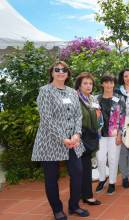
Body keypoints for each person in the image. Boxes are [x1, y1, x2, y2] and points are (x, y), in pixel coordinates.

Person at [32, 61, 89, 220]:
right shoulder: (45, 91)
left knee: (78, 172)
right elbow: (46, 119)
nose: (60, 72)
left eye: (64, 70)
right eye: (57, 69)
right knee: (51, 177)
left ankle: (74, 206)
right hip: (50, 140)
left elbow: (78, 115)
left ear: (67, 74)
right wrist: (62, 138)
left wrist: (77, 134)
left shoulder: (72, 92)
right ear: (52, 72)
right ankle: (57, 209)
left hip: (73, 140)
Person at [95, 75, 126, 195]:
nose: (108, 85)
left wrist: (120, 134)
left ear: (114, 84)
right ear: (102, 84)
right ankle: (102, 179)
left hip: (114, 135)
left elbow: (123, 118)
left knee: (113, 159)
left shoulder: (119, 98)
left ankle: (112, 182)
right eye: (106, 82)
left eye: (111, 82)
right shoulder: (96, 99)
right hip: (99, 135)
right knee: (100, 158)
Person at [75, 72, 102, 206]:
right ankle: (83, 195)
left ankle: (85, 194)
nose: (88, 86)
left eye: (90, 83)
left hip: (89, 137)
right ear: (79, 85)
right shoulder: (75, 98)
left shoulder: (92, 99)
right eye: (85, 83)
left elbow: (98, 117)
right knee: (78, 168)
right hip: (77, 136)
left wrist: (98, 117)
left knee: (85, 167)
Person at [116, 69, 129, 189]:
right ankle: (124, 176)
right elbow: (116, 110)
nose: (128, 78)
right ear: (122, 78)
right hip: (123, 123)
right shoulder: (118, 91)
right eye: (126, 76)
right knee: (123, 151)